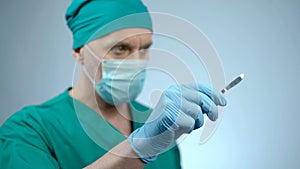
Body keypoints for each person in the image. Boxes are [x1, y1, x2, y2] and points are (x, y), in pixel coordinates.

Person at [0, 0, 227, 168]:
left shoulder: (161, 130)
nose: (136, 62)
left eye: (144, 48)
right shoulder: (29, 131)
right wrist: (141, 147)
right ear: (80, 52)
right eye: (120, 49)